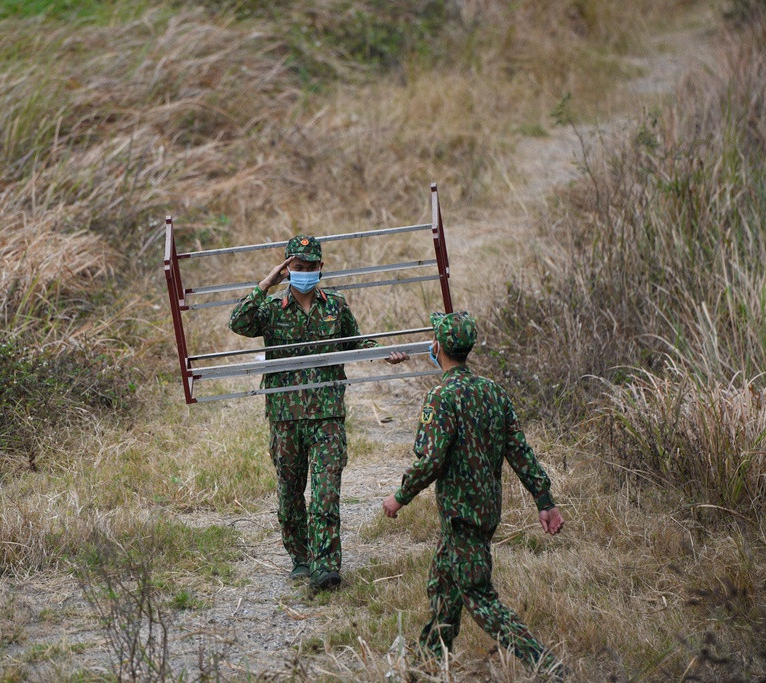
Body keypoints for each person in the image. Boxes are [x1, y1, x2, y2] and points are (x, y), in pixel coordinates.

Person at [382, 311, 566, 677]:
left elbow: (432, 460)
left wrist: (400, 496)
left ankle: (546, 665)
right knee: (442, 584)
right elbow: (520, 450)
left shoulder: (441, 397)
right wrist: (543, 499)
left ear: (437, 347)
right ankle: (430, 661)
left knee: (479, 596)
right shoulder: (493, 392)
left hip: (460, 514)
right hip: (484, 511)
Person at [230, 235, 408, 592]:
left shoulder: (336, 307)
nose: (306, 273)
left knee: (326, 493)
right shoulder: (270, 310)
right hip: (286, 416)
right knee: (290, 494)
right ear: (287, 269)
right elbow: (238, 322)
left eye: (312, 267)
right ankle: (301, 558)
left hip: (327, 414)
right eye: (298, 267)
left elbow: (355, 342)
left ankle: (326, 567)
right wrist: (266, 284)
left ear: (321, 268)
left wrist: (383, 350)